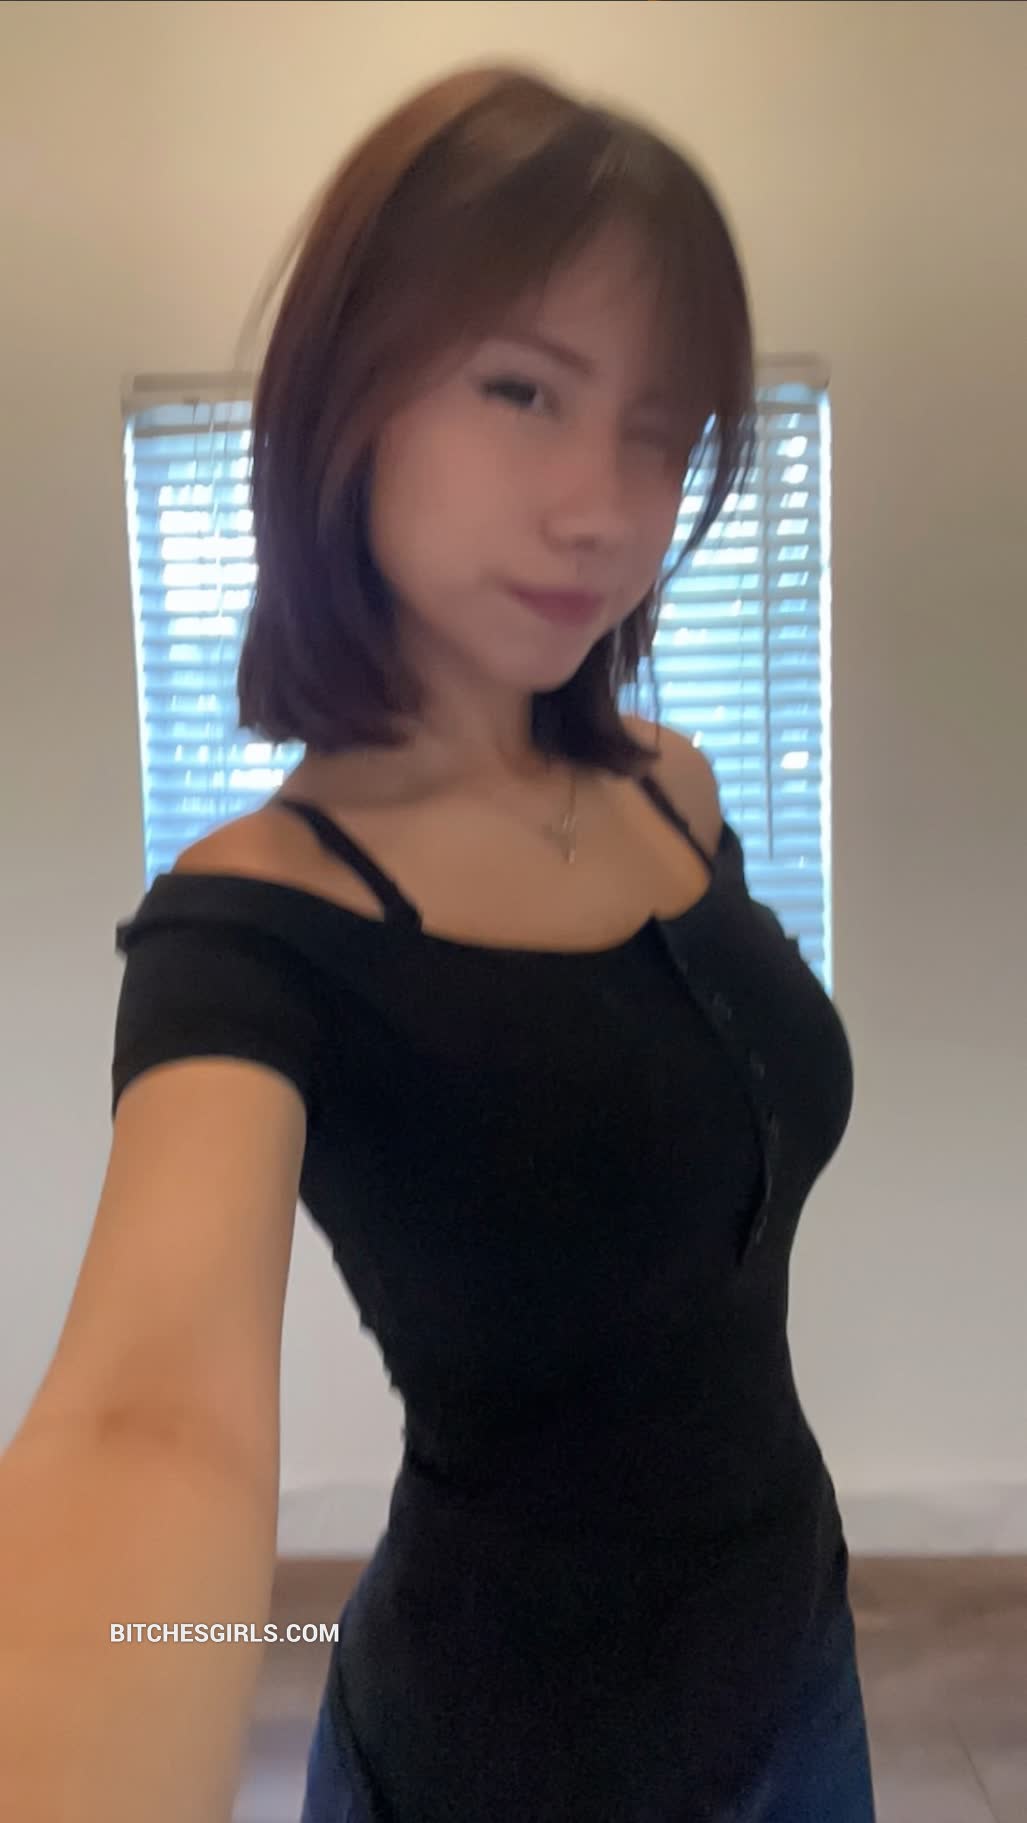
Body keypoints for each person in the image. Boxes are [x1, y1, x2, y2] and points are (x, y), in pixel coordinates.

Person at [0, 62, 875, 1823]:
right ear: (347, 396)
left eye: (659, 431)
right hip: (506, 1762)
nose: (603, 506)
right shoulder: (258, 928)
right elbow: (147, 1421)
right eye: (522, 389)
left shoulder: (672, 785)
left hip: (800, 1666)